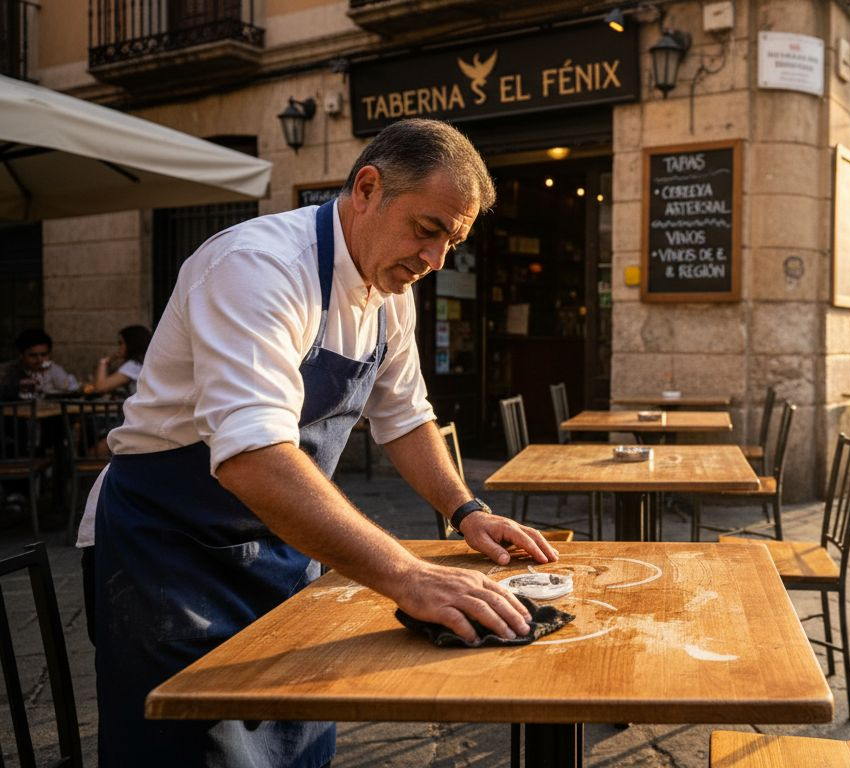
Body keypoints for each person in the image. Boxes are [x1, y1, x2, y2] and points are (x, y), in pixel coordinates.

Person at [85, 118, 559, 767]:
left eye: (452, 242)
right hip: (166, 557)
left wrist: (466, 510)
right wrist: (407, 576)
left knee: (300, 739)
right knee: (191, 747)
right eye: (427, 230)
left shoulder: (391, 292)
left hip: (283, 550)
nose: (435, 261)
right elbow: (254, 458)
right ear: (367, 188)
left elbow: (406, 416)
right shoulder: (257, 267)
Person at [0, 328, 79, 399]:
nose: (39, 360)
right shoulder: (8, 371)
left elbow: (68, 387)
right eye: (33, 355)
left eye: (44, 355)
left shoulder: (52, 368)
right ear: (21, 355)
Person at [91, 324, 152, 396]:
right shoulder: (145, 362)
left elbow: (100, 388)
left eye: (121, 343)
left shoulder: (134, 365)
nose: (119, 347)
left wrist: (103, 363)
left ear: (131, 344)